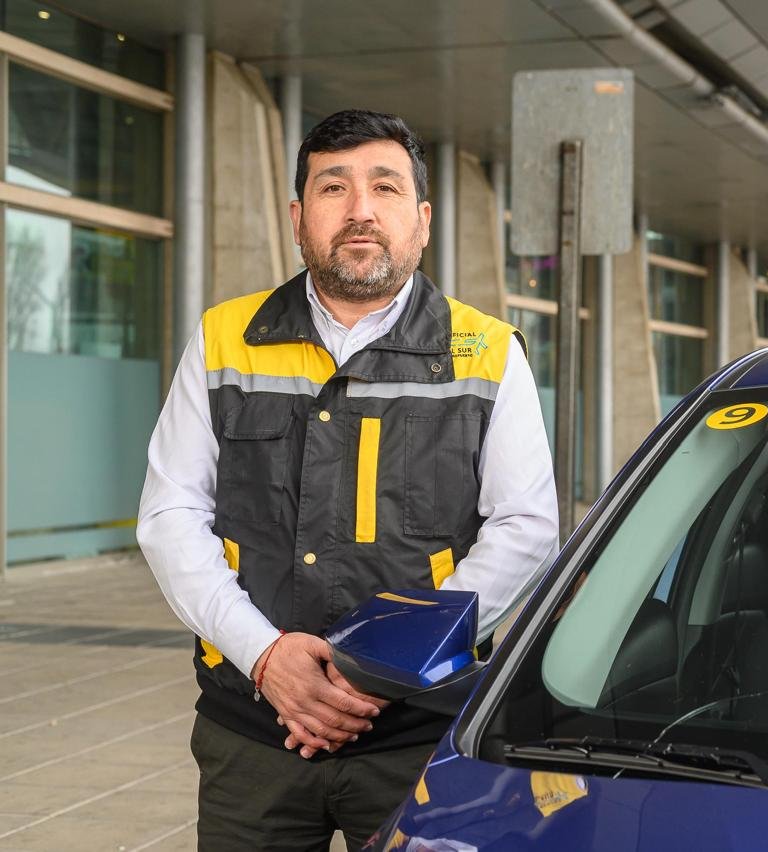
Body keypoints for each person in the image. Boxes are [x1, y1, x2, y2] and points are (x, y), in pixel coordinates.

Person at [137, 109, 559, 850]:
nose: (361, 209)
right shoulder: (222, 338)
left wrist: (384, 666)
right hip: (252, 734)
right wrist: (266, 656)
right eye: (334, 187)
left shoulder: (488, 353)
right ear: (299, 218)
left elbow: (525, 528)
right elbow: (170, 514)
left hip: (420, 741)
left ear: (422, 221)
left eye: (385, 187)